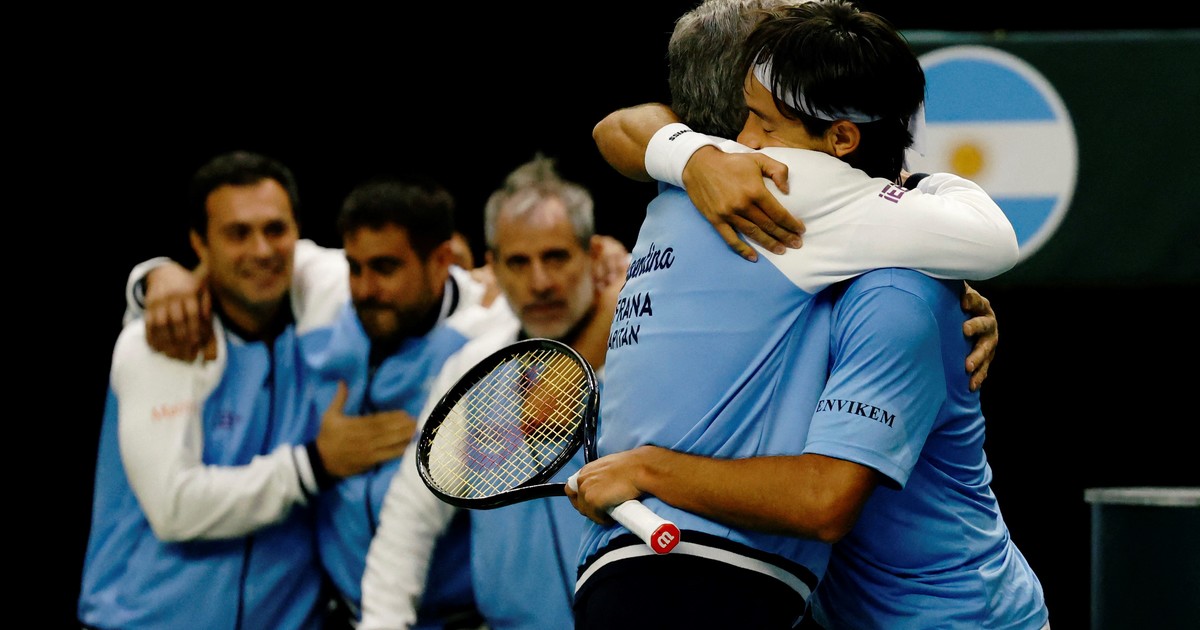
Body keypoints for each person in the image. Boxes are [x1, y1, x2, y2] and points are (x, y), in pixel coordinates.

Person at [569, 2, 1048, 628]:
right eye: (745, 117)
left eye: (765, 121)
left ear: (840, 139)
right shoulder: (722, 177)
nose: (747, 140)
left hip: (960, 617)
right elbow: (622, 128)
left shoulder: (877, 271)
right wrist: (694, 156)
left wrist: (645, 467)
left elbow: (824, 501)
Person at [115, 173, 512, 628]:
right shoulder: (326, 288)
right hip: (342, 614)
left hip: (452, 616)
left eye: (385, 268)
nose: (364, 289)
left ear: (440, 261)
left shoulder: (489, 338)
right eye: (355, 268)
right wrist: (157, 275)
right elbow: (243, 259)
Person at [77, 151, 413, 629]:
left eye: (276, 230)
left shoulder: (324, 324)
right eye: (238, 233)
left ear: (298, 233)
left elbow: (411, 275)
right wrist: (314, 465)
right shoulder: (159, 342)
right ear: (199, 243)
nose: (261, 250)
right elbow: (174, 508)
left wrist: (469, 283)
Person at [358, 154, 618, 630]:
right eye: (518, 262)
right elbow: (410, 519)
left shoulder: (639, 353)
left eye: (555, 257)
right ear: (492, 266)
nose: (539, 282)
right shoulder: (471, 368)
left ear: (593, 254)